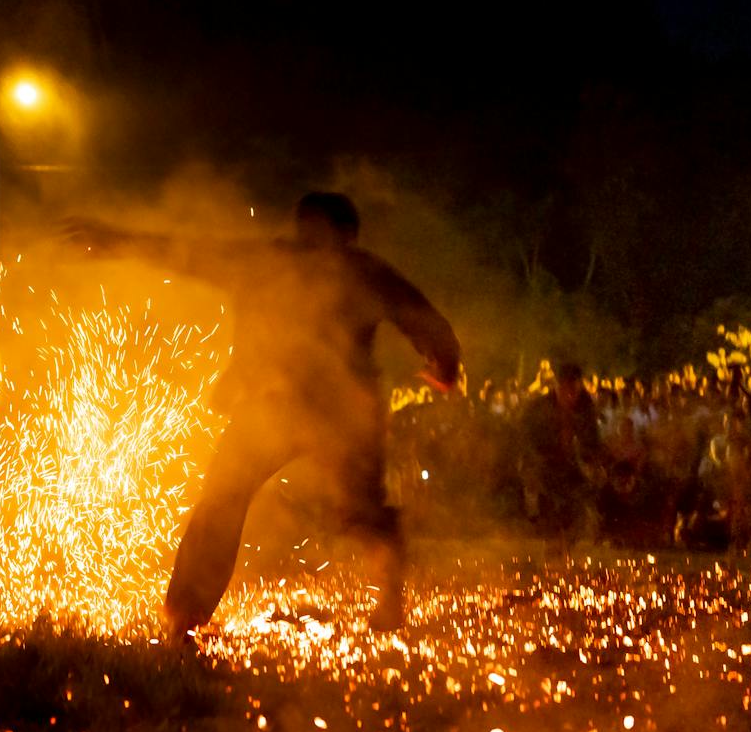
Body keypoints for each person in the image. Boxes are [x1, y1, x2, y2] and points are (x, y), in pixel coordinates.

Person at [65, 193, 461, 644]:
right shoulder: (293, 264)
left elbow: (420, 317)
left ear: (342, 237)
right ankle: (184, 618)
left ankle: (387, 599)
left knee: (357, 510)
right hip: (279, 404)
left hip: (335, 409)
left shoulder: (357, 272)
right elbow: (190, 254)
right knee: (225, 501)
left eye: (320, 230)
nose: (313, 240)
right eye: (307, 228)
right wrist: (118, 241)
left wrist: (444, 358)